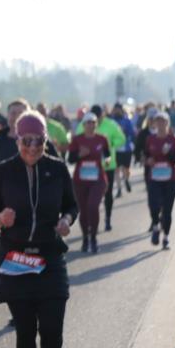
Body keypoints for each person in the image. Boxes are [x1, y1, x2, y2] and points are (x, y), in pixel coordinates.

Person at [0, 110, 77, 348]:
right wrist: (0, 219)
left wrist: (66, 221)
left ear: (46, 141)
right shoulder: (5, 171)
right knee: (25, 330)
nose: (33, 147)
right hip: (16, 259)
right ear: (17, 140)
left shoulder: (57, 169)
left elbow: (71, 205)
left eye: (39, 141)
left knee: (53, 330)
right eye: (27, 140)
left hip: (49, 257)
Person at [74, 104, 125, 232]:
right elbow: (77, 141)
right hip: (87, 168)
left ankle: (108, 218)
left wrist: (110, 144)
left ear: (103, 115)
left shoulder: (111, 124)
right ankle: (89, 223)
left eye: (99, 117)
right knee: (88, 199)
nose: (96, 121)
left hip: (107, 166)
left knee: (108, 194)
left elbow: (121, 139)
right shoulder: (83, 124)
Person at [67, 113, 111, 253]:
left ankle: (94, 238)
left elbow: (107, 154)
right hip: (80, 180)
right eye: (88, 123)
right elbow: (70, 159)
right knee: (84, 210)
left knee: (93, 206)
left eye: (93, 123)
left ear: (96, 124)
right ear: (84, 125)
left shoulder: (102, 139)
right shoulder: (77, 139)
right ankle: (85, 237)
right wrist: (80, 155)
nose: (91, 125)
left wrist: (108, 160)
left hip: (98, 179)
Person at [144, 111, 175, 250]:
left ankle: (166, 237)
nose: (160, 124)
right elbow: (145, 156)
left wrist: (169, 154)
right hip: (154, 178)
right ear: (154, 123)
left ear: (167, 123)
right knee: (153, 206)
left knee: (167, 210)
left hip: (170, 179)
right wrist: (148, 160)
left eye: (163, 121)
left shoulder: (174, 140)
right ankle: (155, 226)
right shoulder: (150, 139)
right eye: (158, 121)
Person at [110, 103, 136, 197]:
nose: (117, 111)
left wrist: (124, 133)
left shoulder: (127, 120)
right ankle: (119, 189)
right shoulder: (111, 121)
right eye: (115, 109)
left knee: (126, 168)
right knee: (116, 170)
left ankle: (126, 179)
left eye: (118, 109)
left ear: (121, 110)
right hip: (115, 149)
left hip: (126, 148)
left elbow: (132, 133)